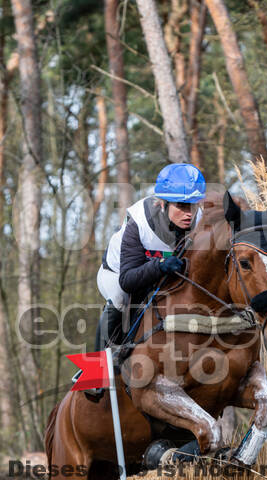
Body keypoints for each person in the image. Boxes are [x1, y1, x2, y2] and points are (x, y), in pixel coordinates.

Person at [73, 163, 206, 395]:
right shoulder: (139, 224)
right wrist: (161, 265)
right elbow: (128, 280)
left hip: (158, 277)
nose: (190, 213)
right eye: (182, 206)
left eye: (193, 205)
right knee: (119, 298)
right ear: (162, 203)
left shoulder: (198, 221)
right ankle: (95, 372)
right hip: (117, 275)